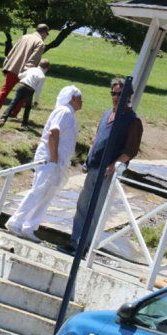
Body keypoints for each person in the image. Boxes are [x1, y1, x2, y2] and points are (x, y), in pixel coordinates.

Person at [57, 78, 143, 256]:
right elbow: (97, 139)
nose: (116, 97)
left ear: (128, 95)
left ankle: (84, 247)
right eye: (113, 93)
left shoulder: (132, 120)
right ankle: (75, 243)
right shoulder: (106, 115)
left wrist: (112, 165)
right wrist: (88, 160)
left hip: (108, 172)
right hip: (94, 167)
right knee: (82, 205)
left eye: (120, 94)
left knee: (95, 210)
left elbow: (131, 150)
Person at [5, 86, 82, 243]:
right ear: (72, 98)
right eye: (80, 98)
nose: (82, 102)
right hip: (50, 160)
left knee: (47, 194)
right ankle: (16, 221)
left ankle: (29, 226)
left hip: (58, 162)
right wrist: (53, 159)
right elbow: (53, 133)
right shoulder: (64, 112)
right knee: (39, 190)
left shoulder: (69, 114)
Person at [0, 24, 49, 120]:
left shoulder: (24, 37)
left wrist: (6, 63)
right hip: (25, 72)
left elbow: (12, 51)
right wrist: (27, 72)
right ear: (44, 33)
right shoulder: (40, 43)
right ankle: (13, 113)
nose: (46, 37)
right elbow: (33, 60)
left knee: (4, 90)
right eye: (47, 34)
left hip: (12, 67)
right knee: (24, 95)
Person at [0, 59, 50, 129]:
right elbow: (38, 90)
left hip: (22, 86)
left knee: (13, 103)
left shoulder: (32, 69)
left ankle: (3, 118)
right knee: (28, 107)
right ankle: (24, 124)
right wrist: (36, 101)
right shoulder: (42, 76)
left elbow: (20, 76)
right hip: (30, 90)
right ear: (46, 68)